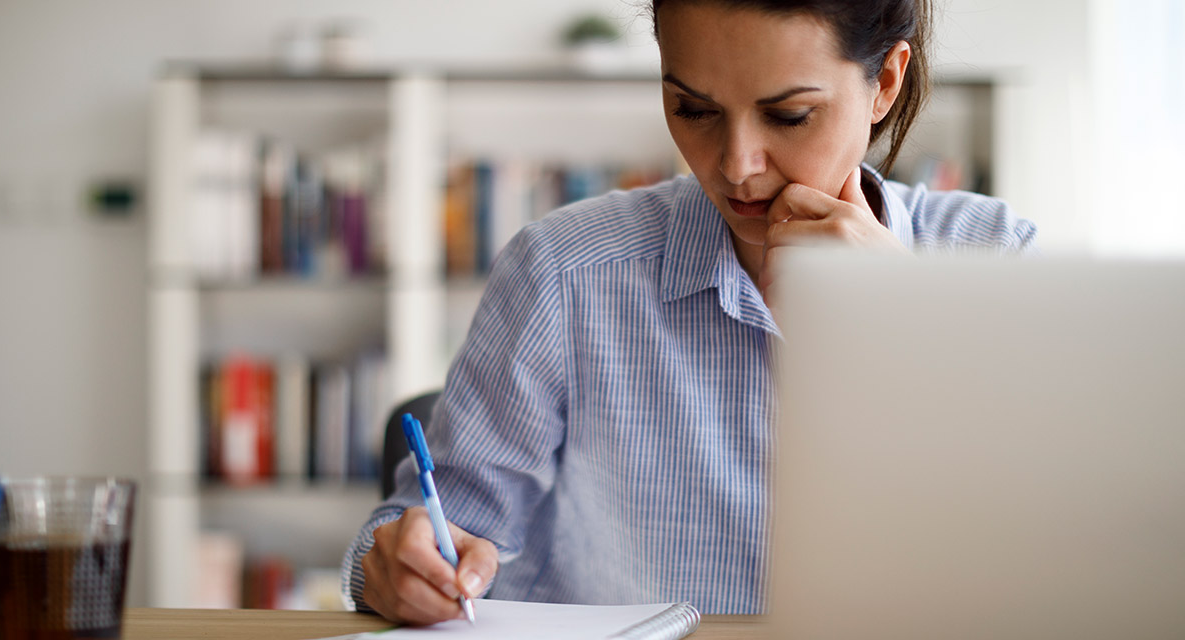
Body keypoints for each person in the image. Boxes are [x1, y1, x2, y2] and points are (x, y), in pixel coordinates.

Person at [342, 0, 1038, 624]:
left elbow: (1048, 560)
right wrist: (397, 567)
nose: (737, 165)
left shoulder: (997, 260)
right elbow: (433, 534)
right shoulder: (563, 272)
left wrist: (911, 329)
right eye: (694, 109)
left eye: (789, 115)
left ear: (885, 81)